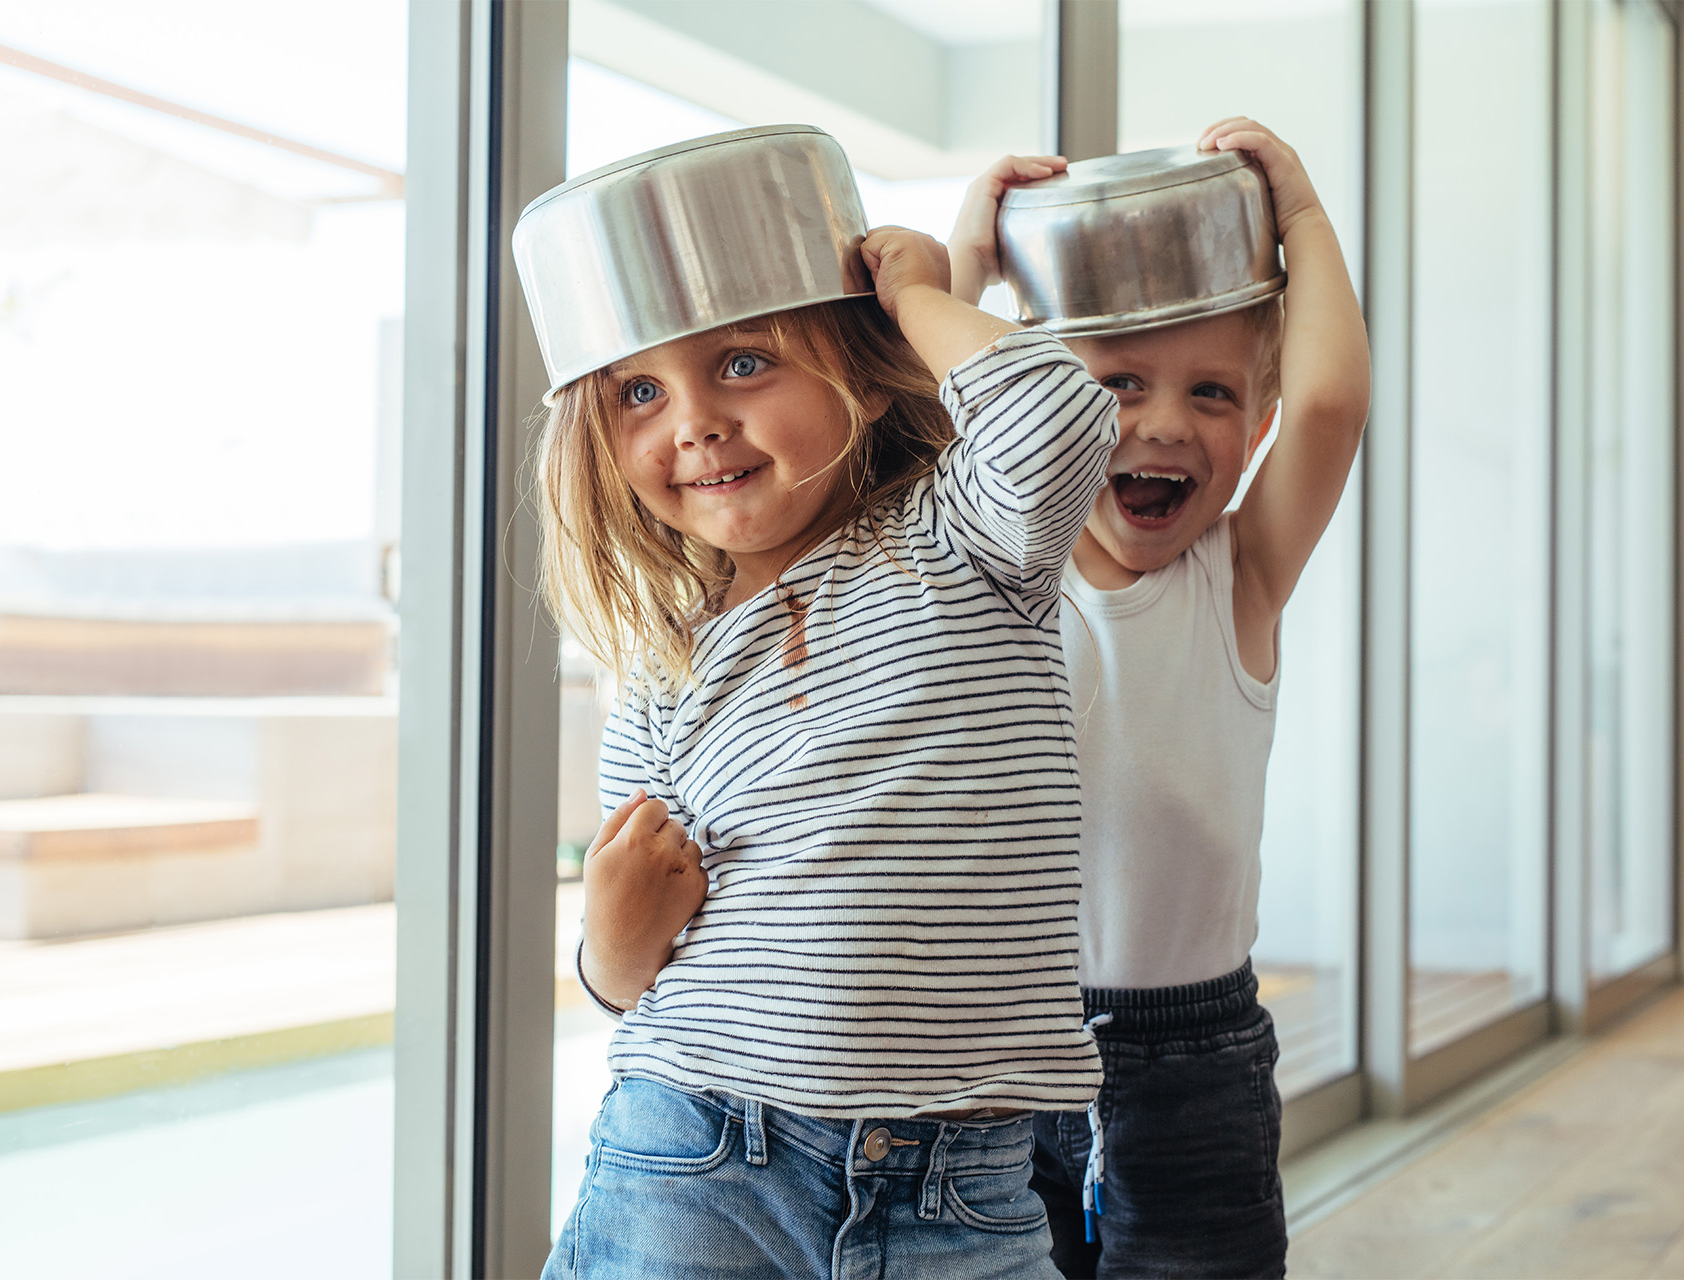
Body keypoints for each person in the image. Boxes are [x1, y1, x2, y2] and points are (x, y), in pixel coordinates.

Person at [532, 152, 1123, 1277]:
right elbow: (630, 968)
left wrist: (916, 299)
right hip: (699, 1147)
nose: (696, 423)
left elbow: (1054, 415)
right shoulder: (666, 663)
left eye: (743, 362)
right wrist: (606, 941)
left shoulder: (964, 538)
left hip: (967, 1181)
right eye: (639, 393)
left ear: (863, 371)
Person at [949, 116, 1370, 1278]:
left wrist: (1301, 214)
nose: (1167, 422)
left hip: (1195, 1065)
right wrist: (964, 268)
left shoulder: (1239, 577)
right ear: (1036, 410)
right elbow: (924, 424)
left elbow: (1331, 402)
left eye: (1213, 391)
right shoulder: (993, 568)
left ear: (1258, 419)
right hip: (1004, 1060)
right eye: (1117, 384)